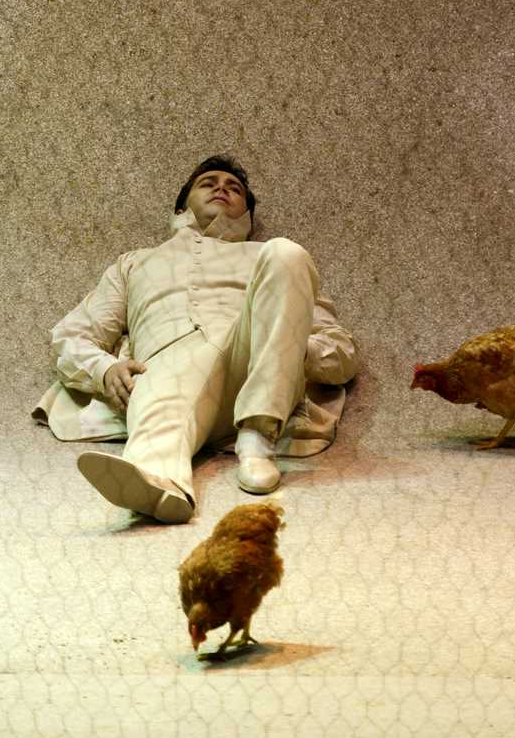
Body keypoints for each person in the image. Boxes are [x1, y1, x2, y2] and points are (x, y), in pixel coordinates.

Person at [34, 156, 357, 524]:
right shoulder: (133, 263)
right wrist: (104, 370)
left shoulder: (266, 257)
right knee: (164, 381)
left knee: (288, 251)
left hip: (250, 369)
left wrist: (288, 349)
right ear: (180, 206)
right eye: (208, 183)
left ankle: (257, 437)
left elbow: (342, 349)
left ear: (247, 213)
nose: (222, 188)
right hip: (163, 371)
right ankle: (159, 484)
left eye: (234, 188)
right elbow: (72, 335)